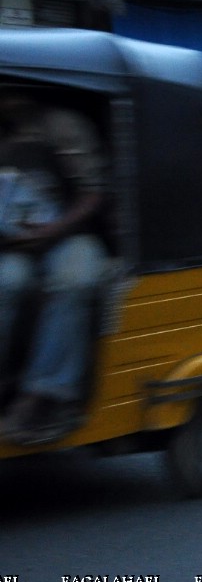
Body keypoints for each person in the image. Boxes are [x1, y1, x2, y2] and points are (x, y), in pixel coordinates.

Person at [0, 94, 108, 446]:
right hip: (16, 242)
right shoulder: (7, 137)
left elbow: (93, 194)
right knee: (7, 283)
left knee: (74, 281)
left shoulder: (63, 125)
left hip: (71, 234)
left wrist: (52, 230)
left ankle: (42, 394)